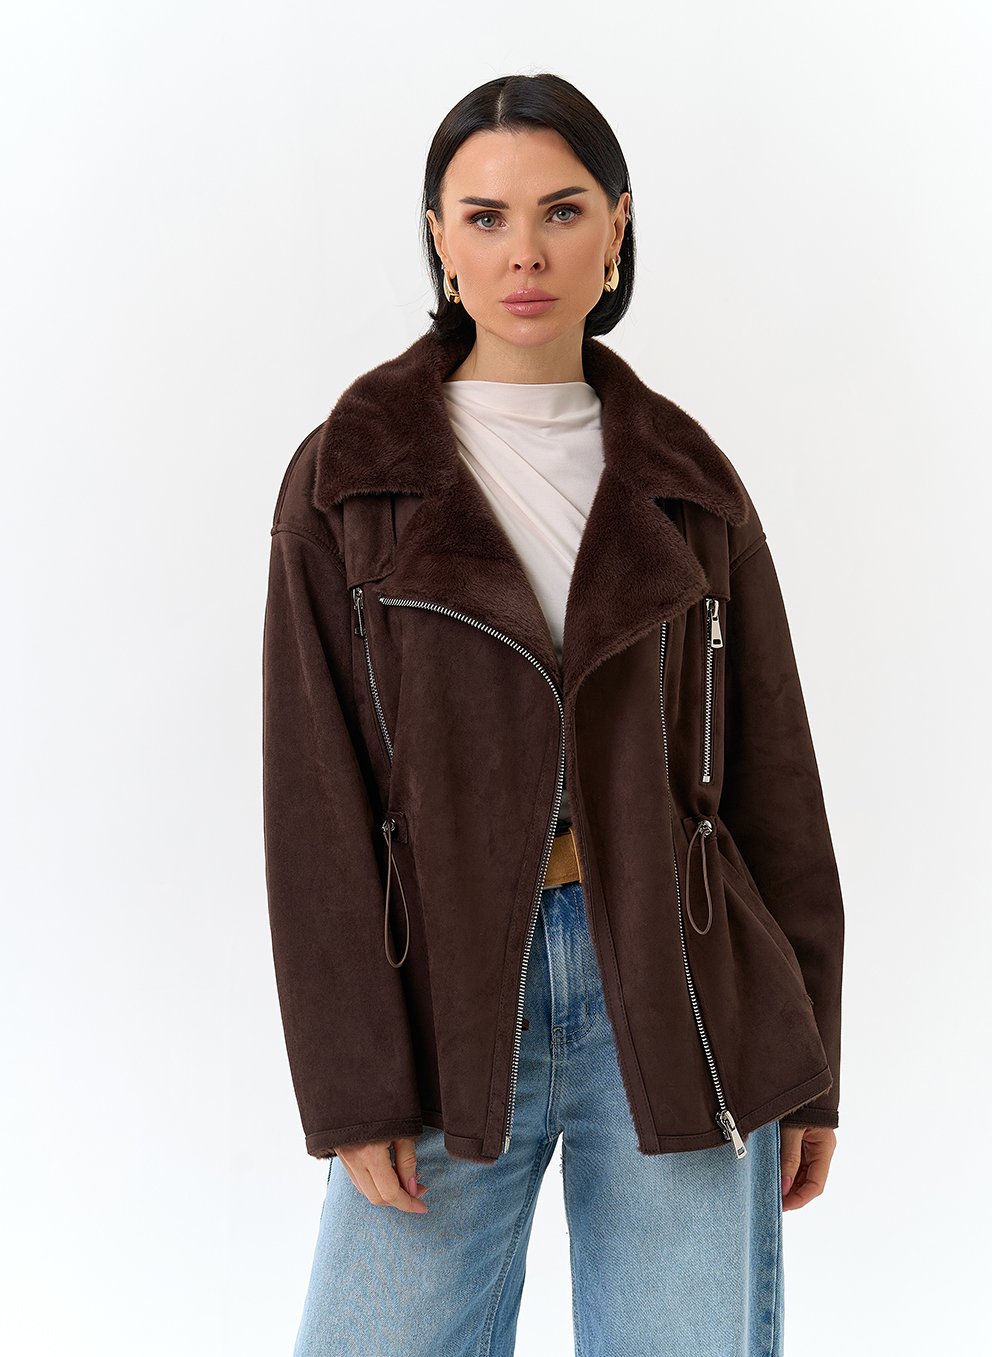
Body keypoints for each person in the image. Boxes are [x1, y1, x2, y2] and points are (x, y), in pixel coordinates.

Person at [262, 72, 844, 1357]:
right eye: (484, 217)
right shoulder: (351, 476)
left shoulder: (687, 479)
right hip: (442, 992)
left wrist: (809, 1059)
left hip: (681, 987)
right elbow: (314, 799)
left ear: (615, 228)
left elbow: (772, 779)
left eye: (561, 211)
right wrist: (352, 1082)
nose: (522, 251)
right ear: (439, 238)